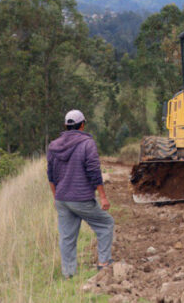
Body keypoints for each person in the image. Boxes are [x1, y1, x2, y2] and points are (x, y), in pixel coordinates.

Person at [47, 109, 114, 278]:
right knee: (106, 224)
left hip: (62, 198)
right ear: (82, 125)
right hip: (81, 197)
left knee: (67, 238)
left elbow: (51, 175)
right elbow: (94, 171)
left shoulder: (53, 146)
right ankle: (104, 263)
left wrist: (56, 197)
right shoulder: (87, 143)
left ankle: (68, 273)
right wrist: (103, 197)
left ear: (66, 125)